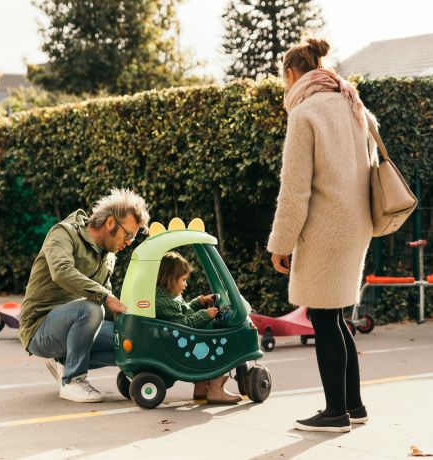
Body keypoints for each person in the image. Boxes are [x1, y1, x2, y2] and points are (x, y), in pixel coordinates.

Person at [268, 37, 375, 432]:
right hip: (357, 224)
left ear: (293, 74)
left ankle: (335, 413)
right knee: (337, 314)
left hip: (326, 228)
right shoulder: (352, 104)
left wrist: (280, 244)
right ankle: (354, 405)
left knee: (322, 317)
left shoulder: (305, 113)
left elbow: (295, 190)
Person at [19, 188, 150, 403]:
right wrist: (106, 297)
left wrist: (131, 321)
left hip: (77, 325)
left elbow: (107, 301)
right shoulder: (64, 233)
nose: (128, 242)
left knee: (130, 338)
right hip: (40, 328)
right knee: (91, 308)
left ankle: (64, 362)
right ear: (110, 223)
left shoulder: (109, 256)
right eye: (128, 235)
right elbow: (62, 272)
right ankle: (73, 380)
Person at [155, 251, 242, 404]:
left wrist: (199, 301)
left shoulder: (166, 296)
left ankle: (201, 388)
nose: (186, 284)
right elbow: (185, 324)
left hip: (182, 341)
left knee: (207, 338)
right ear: (170, 279)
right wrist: (206, 315)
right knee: (220, 342)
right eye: (183, 280)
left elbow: (183, 311)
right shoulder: (166, 302)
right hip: (185, 344)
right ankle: (215, 389)